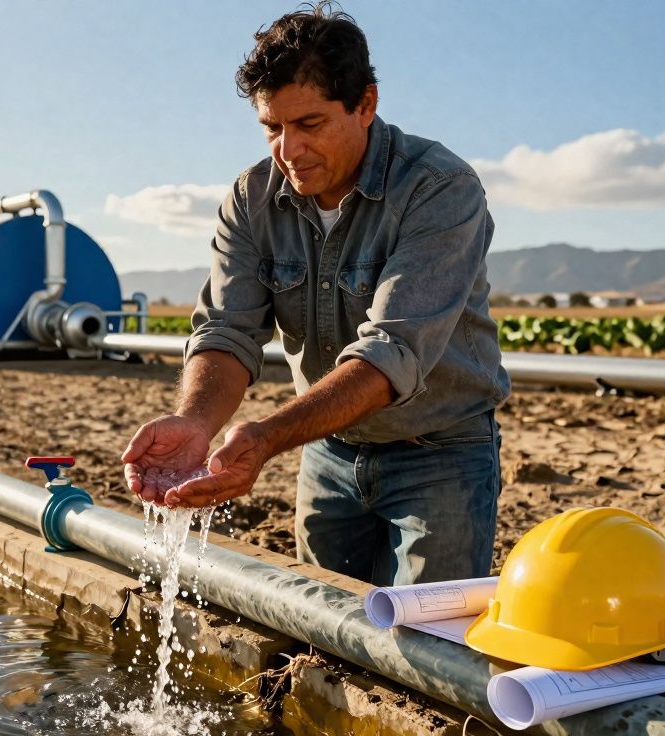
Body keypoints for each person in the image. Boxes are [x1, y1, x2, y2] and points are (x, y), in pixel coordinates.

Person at [121, 3, 510, 586]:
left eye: (310, 124)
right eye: (272, 127)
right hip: (328, 453)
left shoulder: (439, 189)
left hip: (441, 453)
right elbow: (227, 332)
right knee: (325, 639)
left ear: (366, 105)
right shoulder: (252, 199)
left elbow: (391, 352)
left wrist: (265, 436)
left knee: (427, 648)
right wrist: (197, 422)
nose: (289, 150)